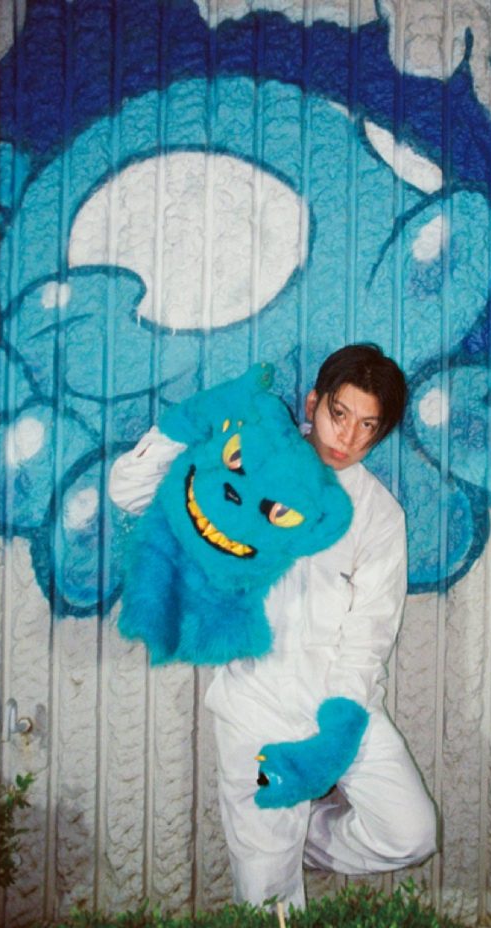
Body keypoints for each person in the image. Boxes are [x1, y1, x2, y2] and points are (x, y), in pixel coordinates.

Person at [109, 343, 437, 909]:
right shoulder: (248, 457)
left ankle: (306, 837)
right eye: (339, 414)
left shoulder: (379, 515)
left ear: (381, 433)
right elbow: (130, 490)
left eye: (367, 426)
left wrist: (337, 732)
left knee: (411, 833)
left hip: (342, 710)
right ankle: (271, 848)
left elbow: (370, 632)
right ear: (312, 404)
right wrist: (190, 420)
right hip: (254, 716)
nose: (346, 437)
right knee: (269, 899)